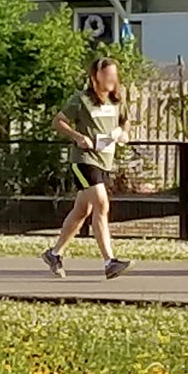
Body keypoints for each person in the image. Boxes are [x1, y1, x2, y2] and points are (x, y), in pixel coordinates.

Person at [42, 57, 131, 280]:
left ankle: (54, 254)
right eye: (107, 75)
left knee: (82, 210)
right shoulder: (81, 100)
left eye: (114, 75)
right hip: (84, 160)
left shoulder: (117, 100)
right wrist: (78, 137)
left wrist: (122, 133)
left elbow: (124, 121)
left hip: (104, 161)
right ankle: (110, 262)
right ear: (95, 77)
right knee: (102, 204)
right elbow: (58, 121)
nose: (112, 79)